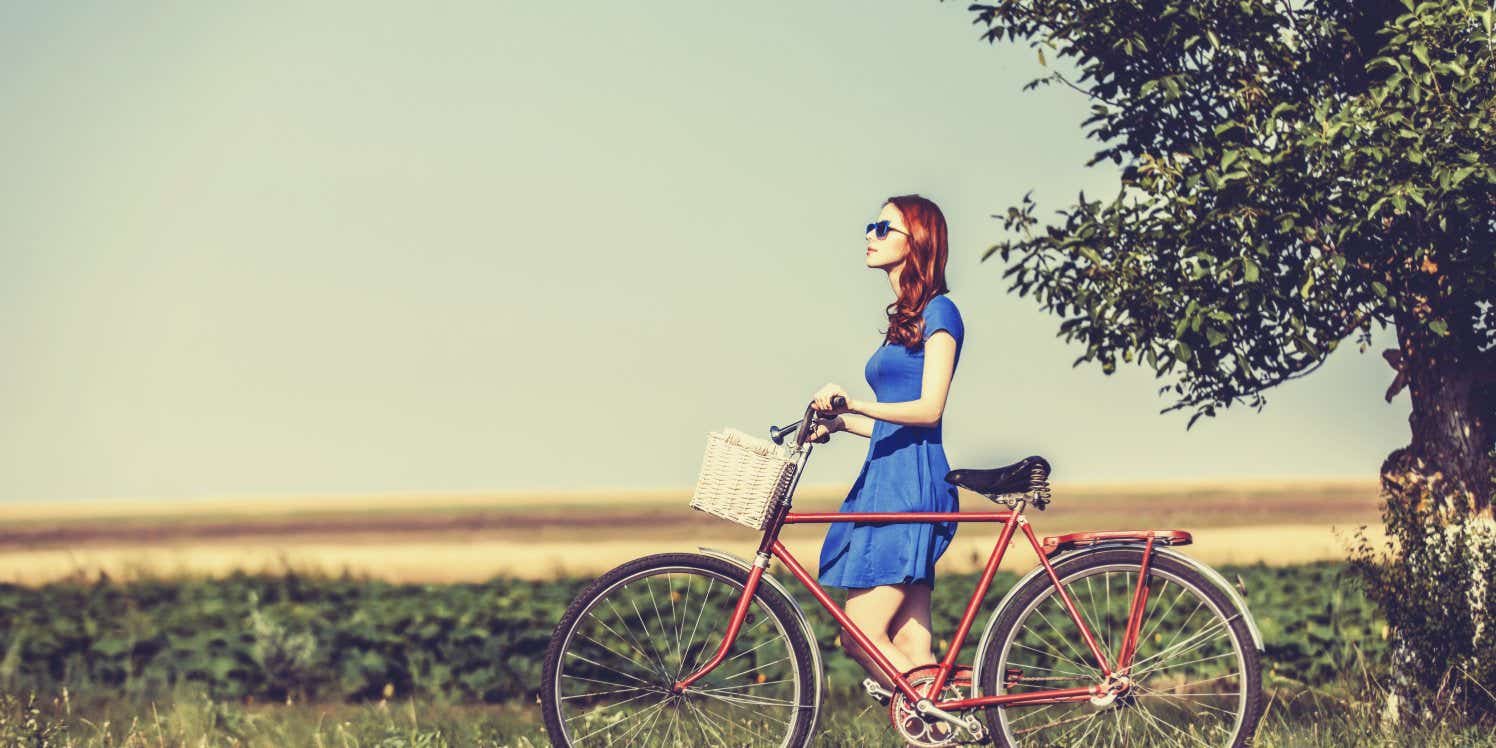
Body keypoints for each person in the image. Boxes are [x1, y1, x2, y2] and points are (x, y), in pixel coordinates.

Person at [807, 193, 967, 698]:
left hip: (910, 486)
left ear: (915, 241)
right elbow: (892, 424)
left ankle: (944, 718)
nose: (869, 236)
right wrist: (839, 425)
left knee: (859, 633)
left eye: (882, 228)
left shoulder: (941, 312)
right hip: (888, 477)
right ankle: (943, 723)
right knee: (912, 648)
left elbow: (929, 410)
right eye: (870, 226)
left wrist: (855, 404)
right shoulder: (904, 318)